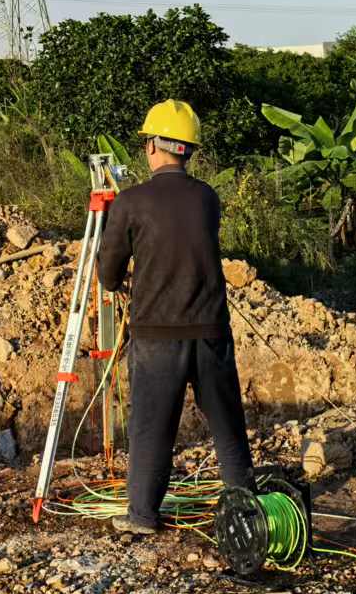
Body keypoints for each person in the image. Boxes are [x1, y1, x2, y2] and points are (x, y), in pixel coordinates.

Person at [96, 99, 254, 536]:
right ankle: (247, 513)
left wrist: (116, 275)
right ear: (189, 150)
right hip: (211, 333)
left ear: (152, 146)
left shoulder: (131, 202)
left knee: (151, 429)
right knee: (228, 428)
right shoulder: (207, 197)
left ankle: (142, 515)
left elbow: (108, 273)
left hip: (156, 339)